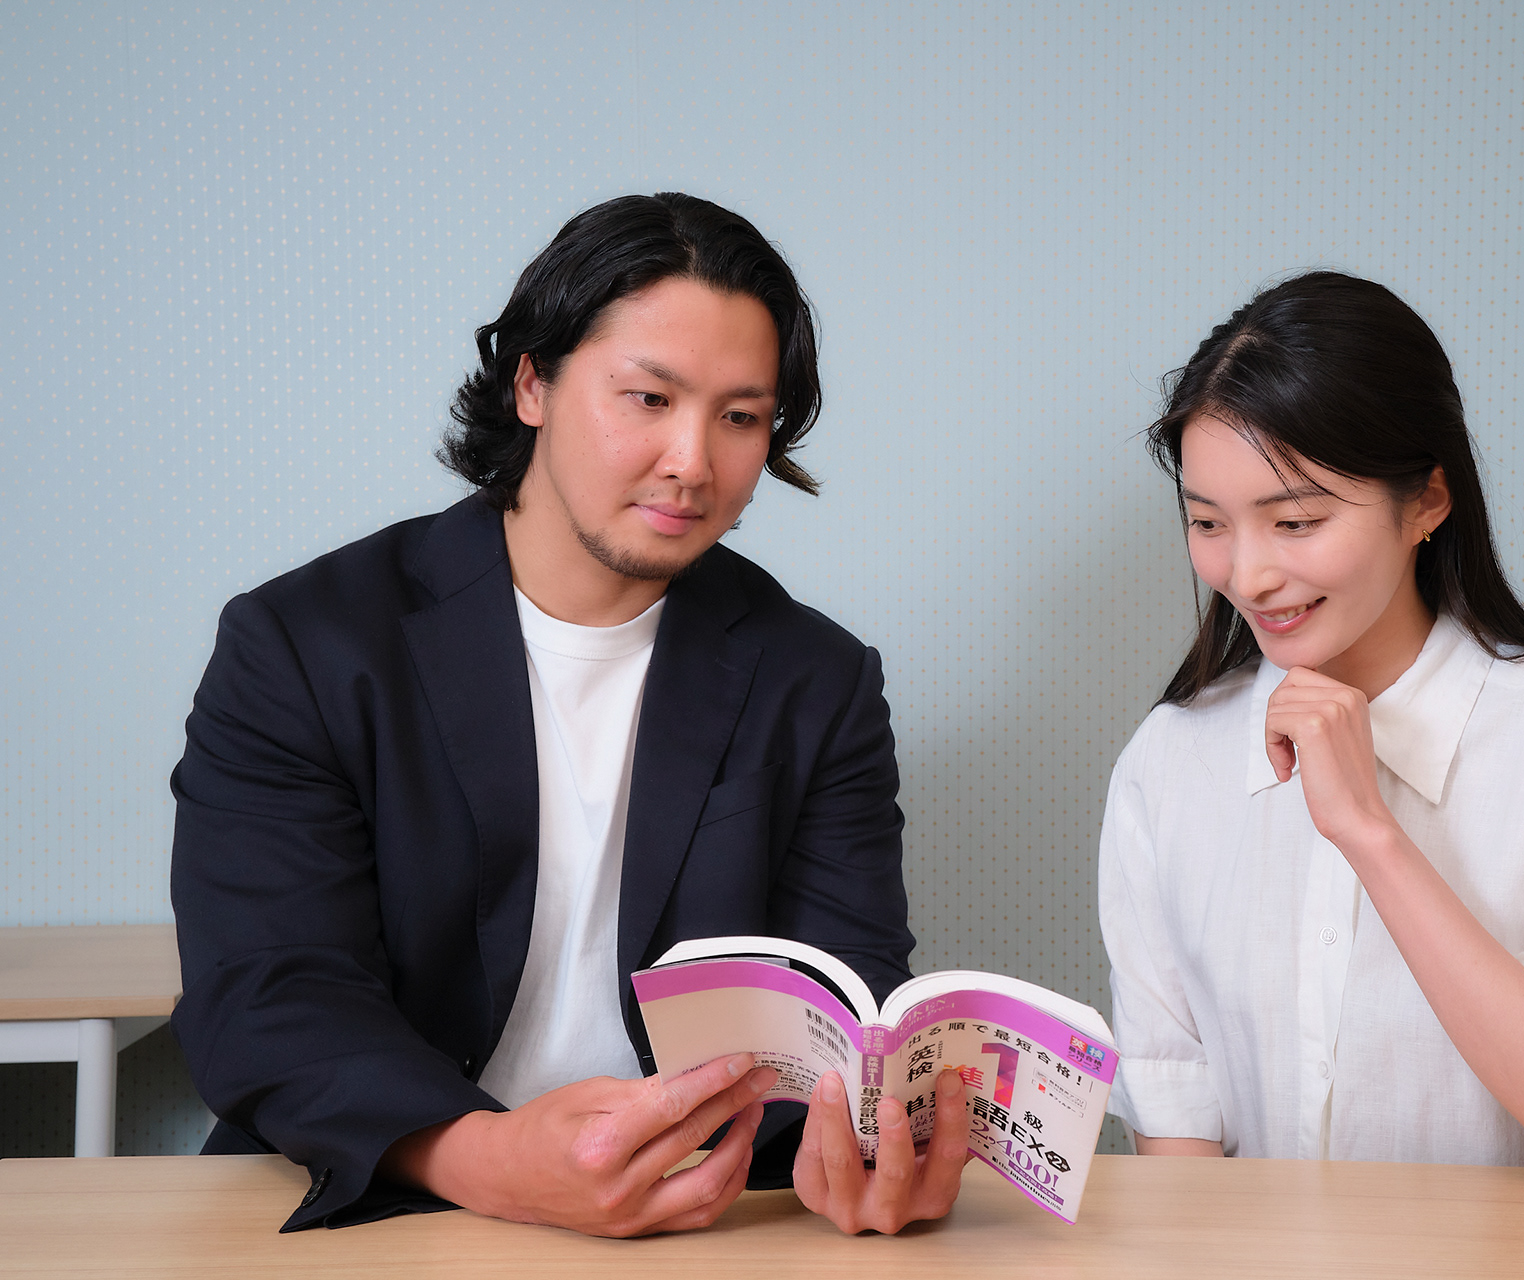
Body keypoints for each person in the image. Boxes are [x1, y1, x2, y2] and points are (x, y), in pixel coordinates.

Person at [170, 193, 968, 1236]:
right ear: (532, 383)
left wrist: (865, 1146)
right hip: (384, 1202)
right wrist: (485, 1154)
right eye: (648, 398)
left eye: (739, 417)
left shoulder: (816, 678)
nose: (692, 461)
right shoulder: (305, 645)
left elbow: (846, 996)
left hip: (706, 1211)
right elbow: (266, 989)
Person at [1099, 272, 1524, 1192]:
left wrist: (1368, 832)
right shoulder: (1169, 762)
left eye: (1296, 520)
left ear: (1426, 500)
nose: (1249, 574)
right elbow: (1181, 1155)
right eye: (1208, 523)